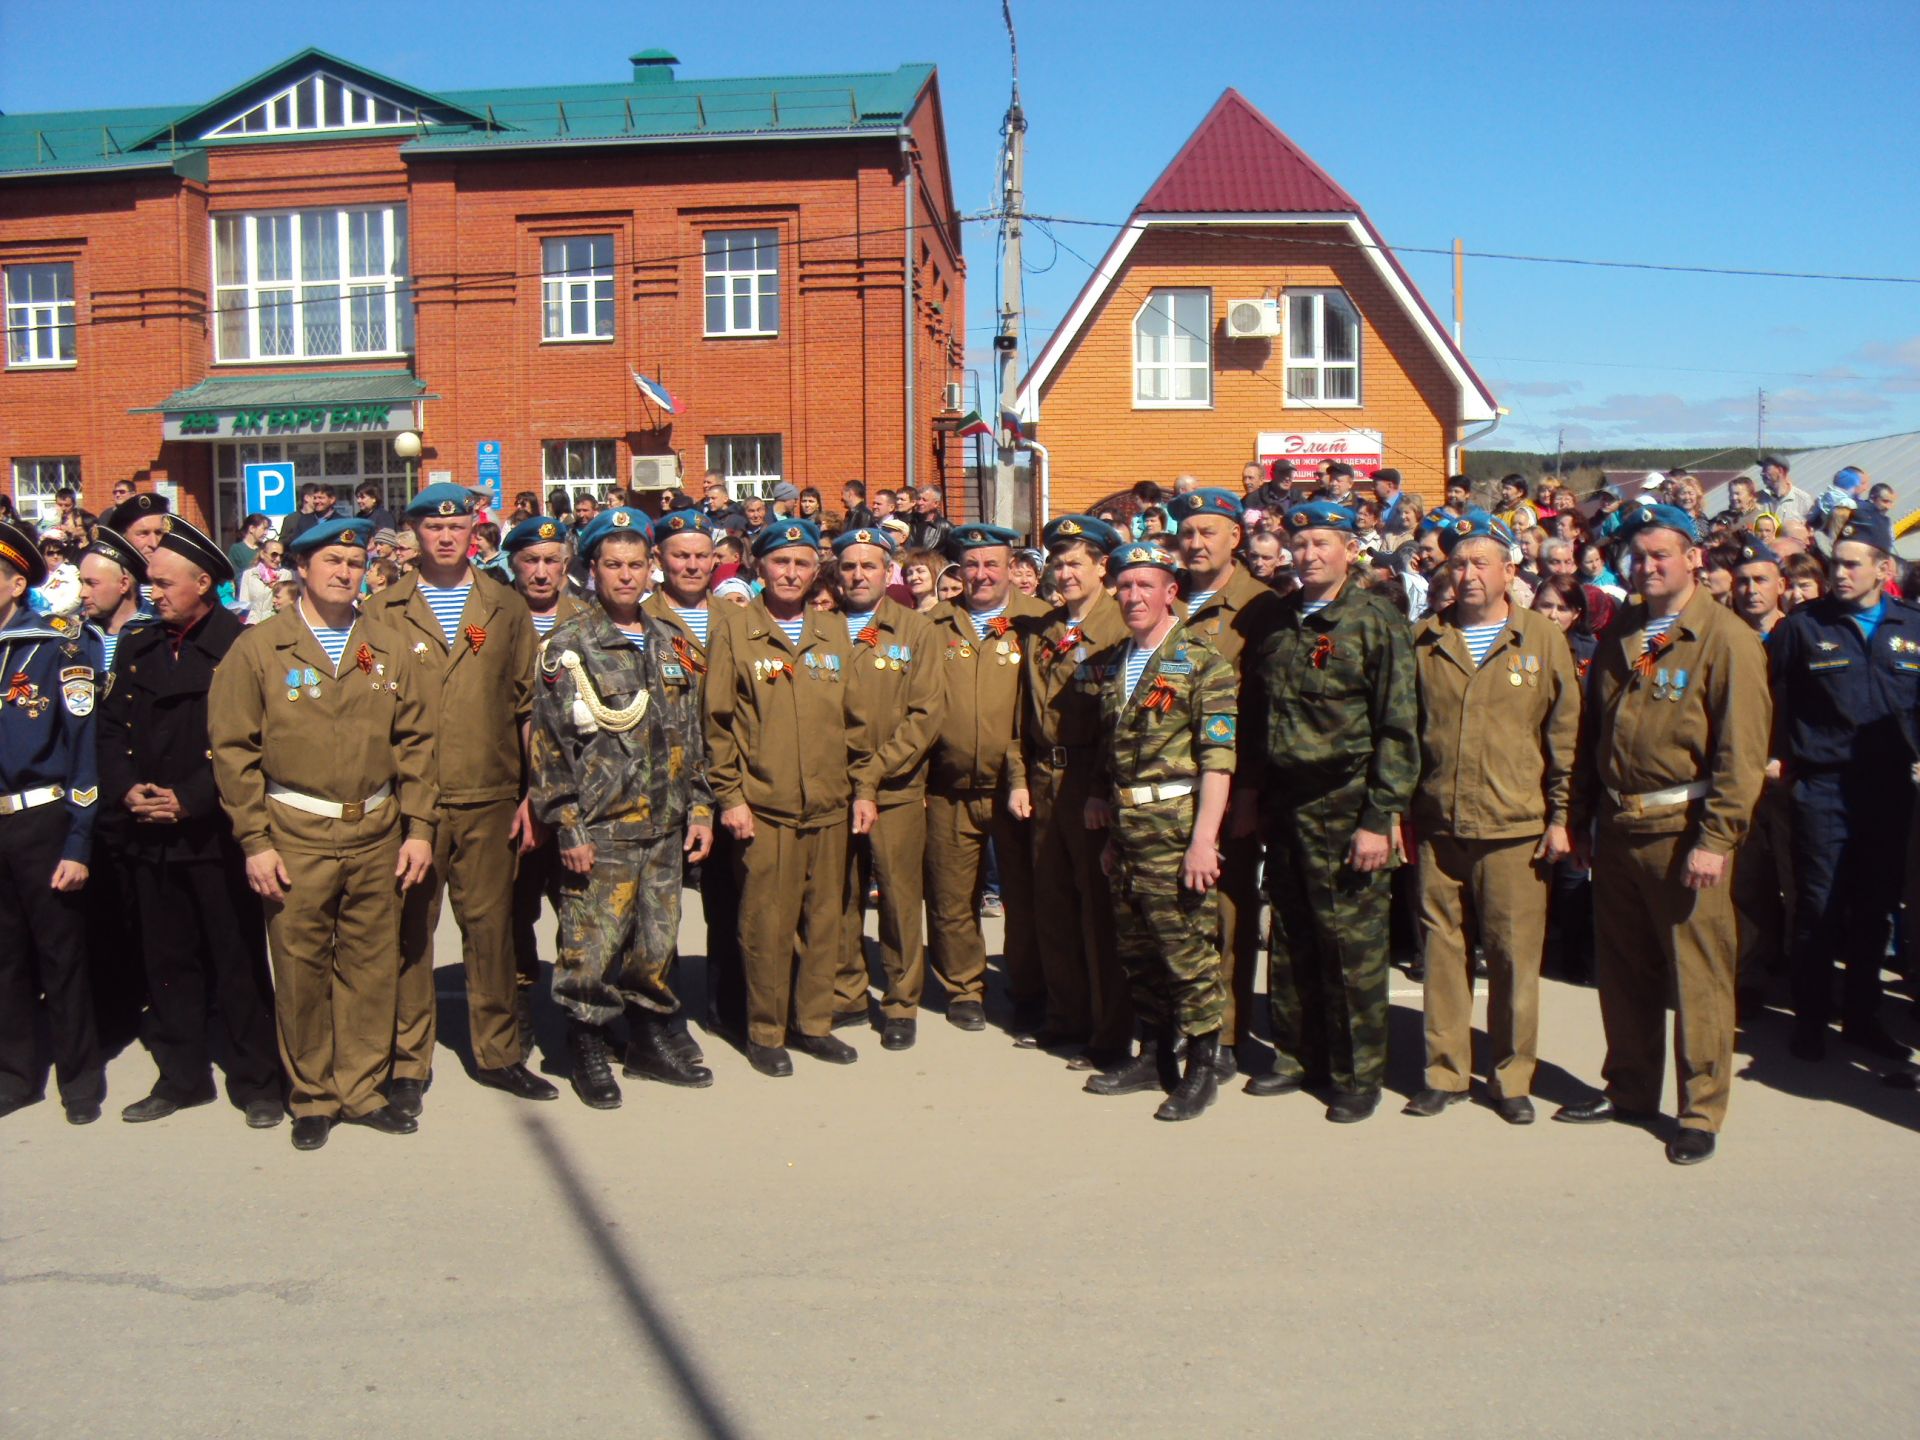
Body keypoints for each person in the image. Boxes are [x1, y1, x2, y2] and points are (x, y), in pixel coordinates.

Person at [209, 515, 438, 1151]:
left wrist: (418, 828)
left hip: (376, 831)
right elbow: (233, 751)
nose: (345, 573)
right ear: (301, 570)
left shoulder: (384, 645)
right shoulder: (259, 648)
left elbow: (417, 741)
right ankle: (312, 1095)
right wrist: (255, 842)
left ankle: (362, 1089)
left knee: (371, 969)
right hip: (295, 834)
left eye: (355, 563)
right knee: (302, 969)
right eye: (331, 563)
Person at [1554, 503, 1769, 1165]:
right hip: (1619, 827)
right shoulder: (1624, 628)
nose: (1647, 567)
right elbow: (1596, 733)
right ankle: (1631, 1089)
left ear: (1693, 558)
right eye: (1639, 557)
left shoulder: (1726, 639)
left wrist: (1718, 839)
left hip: (1684, 832)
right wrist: (1583, 817)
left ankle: (1700, 1109)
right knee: (1625, 971)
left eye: (1661, 555)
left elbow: (1742, 752)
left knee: (1698, 979)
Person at [371, 483, 554, 1112]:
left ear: (474, 532)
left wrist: (531, 793)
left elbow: (527, 704)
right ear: (413, 534)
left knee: (492, 932)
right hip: (412, 801)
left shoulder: (503, 606)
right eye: (432, 527)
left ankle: (499, 1053)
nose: (446, 537)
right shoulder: (383, 610)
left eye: (458, 527)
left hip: (490, 796)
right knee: (410, 934)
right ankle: (406, 1061)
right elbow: (371, 708)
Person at [96, 517, 282, 1128]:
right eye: (149, 583)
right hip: (149, 831)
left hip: (214, 831)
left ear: (204, 583)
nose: (153, 593)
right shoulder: (139, 645)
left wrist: (191, 799)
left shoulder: (242, 645)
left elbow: (255, 741)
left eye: (164, 583)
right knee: (166, 964)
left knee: (236, 962)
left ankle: (258, 1080)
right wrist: (128, 793)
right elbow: (111, 729)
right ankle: (181, 1077)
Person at [529, 508, 715, 1107]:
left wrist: (702, 809)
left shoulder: (672, 642)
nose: (626, 576)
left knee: (655, 942)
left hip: (663, 825)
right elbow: (551, 748)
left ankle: (647, 1037)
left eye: (636, 565)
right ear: (592, 571)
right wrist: (567, 824)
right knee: (591, 943)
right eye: (613, 565)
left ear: (651, 569)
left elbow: (695, 733)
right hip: (602, 829)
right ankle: (584, 1041)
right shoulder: (569, 647)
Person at [1238, 501, 1417, 1122]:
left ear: (1349, 550)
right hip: (1286, 805)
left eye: (1322, 543)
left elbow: (1398, 726)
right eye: (1301, 542)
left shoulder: (1374, 621)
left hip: (1346, 806)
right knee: (1290, 937)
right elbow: (1259, 720)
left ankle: (1356, 1072)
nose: (1309, 554)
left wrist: (1379, 817)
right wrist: (1254, 797)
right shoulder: (1278, 620)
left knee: (1353, 946)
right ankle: (1295, 1057)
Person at [1404, 512, 1580, 1125]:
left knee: (1512, 958)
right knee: (1443, 955)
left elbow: (1564, 732)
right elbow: (1403, 734)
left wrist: (1561, 816)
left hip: (1515, 828)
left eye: (1482, 563)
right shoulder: (1426, 638)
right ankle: (1446, 1072)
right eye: (1459, 563)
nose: (1469, 573)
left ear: (1510, 572)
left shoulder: (1540, 638)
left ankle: (1511, 1076)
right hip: (1440, 825)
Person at [706, 519, 877, 1075]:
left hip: (828, 805)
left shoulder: (832, 631)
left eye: (802, 564)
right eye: (781, 562)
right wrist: (730, 796)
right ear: (760, 567)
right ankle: (765, 1030)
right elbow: (718, 722)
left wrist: (863, 788)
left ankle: (814, 1024)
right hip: (765, 807)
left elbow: (855, 722)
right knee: (766, 925)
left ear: (814, 572)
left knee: (826, 920)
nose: (791, 573)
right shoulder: (734, 628)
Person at [1077, 541, 1239, 1119]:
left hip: (1176, 829)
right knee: (1139, 950)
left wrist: (1204, 841)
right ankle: (1154, 1056)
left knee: (1186, 951)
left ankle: (1202, 1066)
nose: (1132, 596)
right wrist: (1112, 832)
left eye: (1146, 585)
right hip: (1128, 827)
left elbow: (1219, 760)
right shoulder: (1119, 660)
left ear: (1171, 592)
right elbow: (1113, 750)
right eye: (1124, 586)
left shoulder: (1202, 660)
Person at [1767, 508, 1919, 1064]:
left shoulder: (1912, 626)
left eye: (1854, 565)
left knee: (1875, 907)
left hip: (1887, 790)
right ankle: (1811, 1019)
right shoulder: (1804, 627)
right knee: (1818, 906)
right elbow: (1773, 700)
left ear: (1885, 567)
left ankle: (1861, 1018)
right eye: (1837, 563)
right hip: (1823, 787)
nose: (1841, 574)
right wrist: (1777, 758)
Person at [1169, 488, 1284, 1077]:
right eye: (1187, 533)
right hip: (1165, 782)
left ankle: (1228, 1034)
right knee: (1173, 914)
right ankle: (1179, 1028)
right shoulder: (1166, 598)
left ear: (1235, 538)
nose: (1196, 543)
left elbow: (1263, 709)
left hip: (1228, 780)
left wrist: (1248, 793)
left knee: (1226, 915)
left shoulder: (1261, 608)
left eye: (1208, 532)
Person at [0, 517, 105, 1124]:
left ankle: (79, 1080)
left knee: (61, 957)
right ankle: (15, 1074)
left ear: (17, 584)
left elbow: (82, 747)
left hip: (41, 818)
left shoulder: (54, 647)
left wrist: (78, 839)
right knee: (5, 958)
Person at [924, 524, 1050, 1033]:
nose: (981, 574)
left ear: (1011, 568)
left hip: (1017, 789)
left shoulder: (1040, 622)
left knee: (1024, 898)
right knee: (952, 898)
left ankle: (1026, 988)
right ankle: (963, 989)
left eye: (991, 563)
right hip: (948, 788)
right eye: (971, 564)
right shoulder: (933, 625)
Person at [1018, 515, 1130, 1067]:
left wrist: (1105, 789)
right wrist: (1022, 777)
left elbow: (1122, 722)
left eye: (1074, 563)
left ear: (1102, 567)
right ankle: (1066, 1017)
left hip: (1090, 778)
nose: (1064, 573)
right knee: (1054, 904)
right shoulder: (1044, 628)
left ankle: (1108, 1033)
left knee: (1097, 910)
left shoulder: (1118, 626)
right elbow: (1024, 713)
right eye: (1057, 563)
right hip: (1045, 778)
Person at [831, 525, 942, 1049]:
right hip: (833, 787)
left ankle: (900, 1001)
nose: (858, 575)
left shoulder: (915, 630)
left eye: (868, 565)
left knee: (899, 898)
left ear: (887, 571)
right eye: (849, 566)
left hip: (893, 787)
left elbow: (924, 716)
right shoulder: (820, 627)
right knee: (841, 894)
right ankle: (848, 991)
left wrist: (872, 777)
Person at [642, 509, 742, 1040]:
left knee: (727, 905)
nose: (693, 565)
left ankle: (727, 1008)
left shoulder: (738, 618)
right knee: (658, 915)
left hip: (727, 783)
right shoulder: (640, 618)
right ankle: (663, 1018)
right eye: (681, 555)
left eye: (703, 555)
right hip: (662, 787)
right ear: (659, 560)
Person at [74, 529, 157, 1050]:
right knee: (104, 910)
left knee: (151, 908)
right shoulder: (73, 639)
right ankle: (118, 1005)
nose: (81, 592)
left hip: (145, 791)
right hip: (94, 796)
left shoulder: (155, 633)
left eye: (90, 582)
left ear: (125, 582)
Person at [1758, 455, 1814, 527]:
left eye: (1766, 469)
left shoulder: (1803, 500)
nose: (1762, 474)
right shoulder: (1759, 498)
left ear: (1780, 471)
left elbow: (1812, 530)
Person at [907, 486, 952, 555]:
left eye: (924, 500)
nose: (919, 503)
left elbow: (955, 557)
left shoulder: (945, 527)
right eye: (918, 499)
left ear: (936, 503)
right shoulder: (908, 522)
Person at [226, 513, 271, 579]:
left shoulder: (264, 548)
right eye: (264, 529)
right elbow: (234, 574)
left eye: (267, 529)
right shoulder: (237, 549)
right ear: (252, 528)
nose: (266, 533)